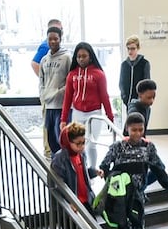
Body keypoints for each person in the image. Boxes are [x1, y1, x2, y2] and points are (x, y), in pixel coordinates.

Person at [97, 113, 168, 229]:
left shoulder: (149, 147)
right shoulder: (117, 146)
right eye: (133, 130)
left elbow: (159, 170)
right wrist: (107, 177)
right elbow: (105, 166)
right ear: (127, 129)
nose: (136, 133)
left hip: (138, 197)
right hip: (120, 197)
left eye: (140, 129)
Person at [62, 41, 115, 167]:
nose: (81, 59)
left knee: (91, 143)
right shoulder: (72, 75)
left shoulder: (99, 74)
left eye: (84, 56)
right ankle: (82, 170)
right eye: (78, 56)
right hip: (77, 113)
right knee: (78, 144)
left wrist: (110, 117)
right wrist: (63, 119)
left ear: (90, 56)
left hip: (94, 113)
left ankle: (92, 170)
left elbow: (104, 96)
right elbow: (67, 98)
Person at [38, 26, 70, 155]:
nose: (52, 42)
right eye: (50, 39)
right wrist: (43, 96)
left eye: (55, 39)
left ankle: (65, 169)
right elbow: (41, 81)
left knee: (61, 139)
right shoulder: (44, 60)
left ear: (60, 39)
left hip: (61, 106)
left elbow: (70, 82)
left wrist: (58, 93)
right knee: (51, 141)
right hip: (49, 107)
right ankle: (54, 167)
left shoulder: (67, 58)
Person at [119, 37, 151, 115]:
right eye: (128, 48)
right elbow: (121, 83)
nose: (130, 51)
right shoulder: (124, 65)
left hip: (141, 102)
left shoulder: (144, 63)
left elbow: (147, 82)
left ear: (138, 48)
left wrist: (142, 99)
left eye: (133, 48)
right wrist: (124, 97)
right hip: (129, 102)